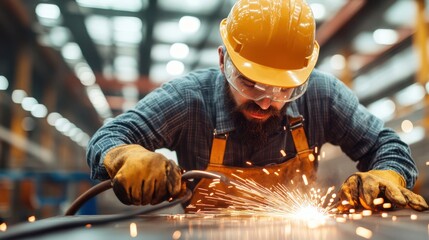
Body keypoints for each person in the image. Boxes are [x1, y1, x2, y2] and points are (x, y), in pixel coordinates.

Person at [86, 0, 428, 213]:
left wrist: (387, 174)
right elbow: (109, 137)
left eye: (284, 89)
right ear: (223, 61)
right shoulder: (190, 98)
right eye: (250, 83)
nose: (267, 101)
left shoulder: (321, 95)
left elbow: (386, 144)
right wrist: (124, 156)